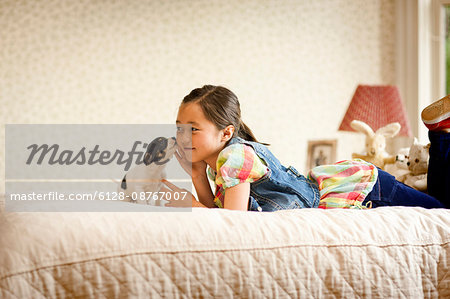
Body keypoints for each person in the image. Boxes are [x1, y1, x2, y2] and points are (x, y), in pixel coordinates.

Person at [162, 85, 447, 211]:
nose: (182, 136)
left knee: (443, 211)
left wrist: (190, 202)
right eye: (178, 127)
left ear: (226, 133)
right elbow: (221, 212)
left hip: (361, 190)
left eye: (193, 128)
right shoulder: (220, 163)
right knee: (438, 201)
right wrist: (198, 175)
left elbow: (231, 223)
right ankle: (441, 133)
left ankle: (441, 136)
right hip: (342, 184)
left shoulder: (234, 155)